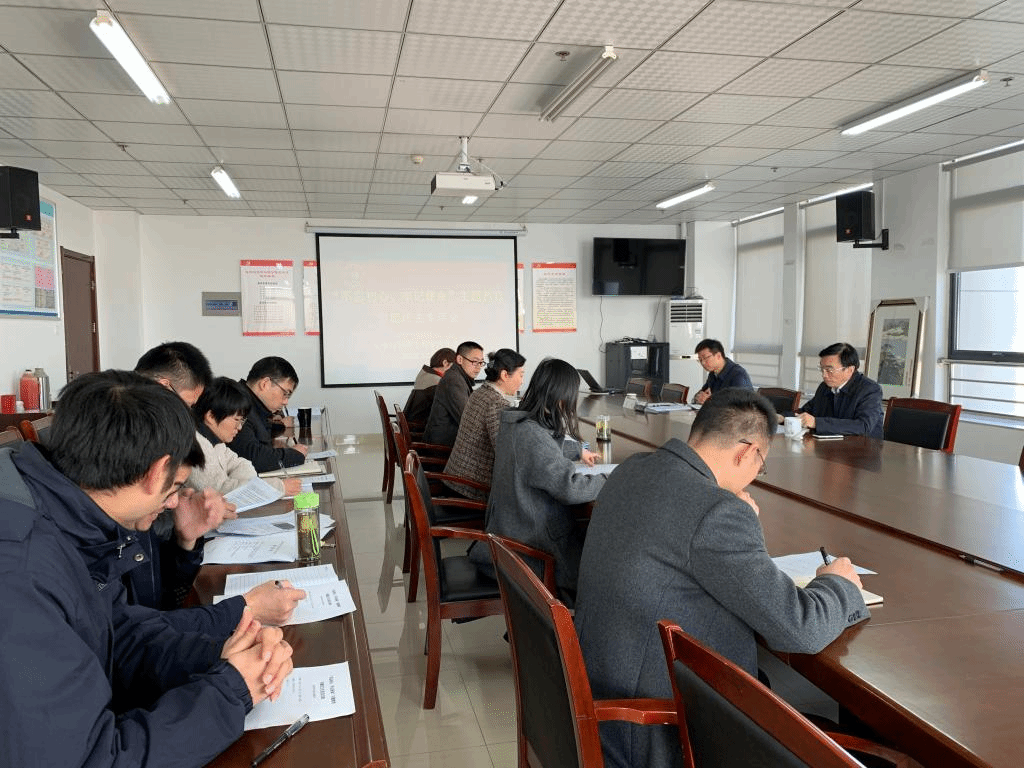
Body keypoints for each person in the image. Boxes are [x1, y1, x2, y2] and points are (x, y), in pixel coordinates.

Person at [0, 370, 294, 768]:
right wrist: (231, 690)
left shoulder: (71, 515)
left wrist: (219, 655)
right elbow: (91, 759)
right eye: (175, 488)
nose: (173, 504)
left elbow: (120, 638)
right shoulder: (20, 572)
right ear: (157, 472)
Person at [574, 388, 869, 768]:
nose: (755, 476)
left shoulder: (633, 468)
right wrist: (838, 582)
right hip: (663, 729)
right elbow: (801, 629)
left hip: (602, 696)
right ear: (747, 452)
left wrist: (732, 514)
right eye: (760, 466)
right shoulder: (716, 513)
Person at [136, 345, 304, 632]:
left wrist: (185, 541)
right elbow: (141, 630)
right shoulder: (164, 440)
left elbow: (167, 601)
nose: (192, 417)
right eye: (190, 406)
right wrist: (245, 608)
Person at [468, 358, 604, 602]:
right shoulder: (532, 435)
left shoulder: (515, 421)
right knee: (602, 555)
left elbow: (540, 450)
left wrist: (576, 451)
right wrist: (609, 480)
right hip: (530, 547)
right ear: (561, 396)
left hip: (511, 529)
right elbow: (570, 488)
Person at [191, 377, 304, 497]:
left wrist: (248, 486)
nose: (239, 427)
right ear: (211, 416)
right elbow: (219, 491)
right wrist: (278, 487)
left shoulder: (216, 441)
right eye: (236, 420)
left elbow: (241, 464)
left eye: (242, 421)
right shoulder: (195, 448)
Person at [443, 348, 525, 500]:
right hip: (469, 491)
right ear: (505, 375)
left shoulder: (481, 392)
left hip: (456, 480)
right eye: (521, 375)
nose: (522, 381)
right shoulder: (496, 403)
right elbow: (505, 451)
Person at [229, 356, 309, 472]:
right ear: (265, 384)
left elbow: (260, 429)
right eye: (285, 394)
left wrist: (279, 428)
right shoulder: (236, 405)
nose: (286, 402)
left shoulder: (250, 402)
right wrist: (294, 454)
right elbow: (254, 459)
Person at [797, 341, 884, 438]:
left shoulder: (870, 389)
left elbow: (863, 426)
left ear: (850, 370)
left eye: (829, 370)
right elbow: (806, 411)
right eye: (822, 369)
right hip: (828, 444)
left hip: (862, 446)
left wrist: (817, 423)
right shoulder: (824, 387)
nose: (824, 375)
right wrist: (785, 418)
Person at [422, 340, 484, 447]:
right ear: (460, 359)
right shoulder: (454, 381)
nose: (478, 367)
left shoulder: (457, 377)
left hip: (446, 443)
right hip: (440, 449)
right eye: (474, 361)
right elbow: (467, 420)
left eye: (481, 362)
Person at [404, 347, 456, 426]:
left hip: (413, 424)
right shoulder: (435, 382)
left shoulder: (426, 376)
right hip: (420, 428)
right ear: (445, 363)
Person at [692, 338, 752, 404]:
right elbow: (701, 393)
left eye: (705, 358)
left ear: (718, 356)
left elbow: (741, 405)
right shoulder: (713, 373)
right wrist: (698, 398)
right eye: (700, 359)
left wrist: (711, 400)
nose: (703, 363)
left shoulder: (738, 375)